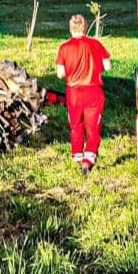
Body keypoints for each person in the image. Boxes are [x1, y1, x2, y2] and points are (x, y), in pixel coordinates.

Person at [55, 14, 111, 174]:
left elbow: (60, 73)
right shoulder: (95, 44)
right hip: (93, 91)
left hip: (73, 92)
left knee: (76, 126)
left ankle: (77, 155)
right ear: (85, 27)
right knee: (93, 127)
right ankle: (89, 158)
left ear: (70, 28)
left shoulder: (64, 48)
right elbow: (108, 66)